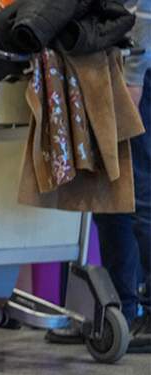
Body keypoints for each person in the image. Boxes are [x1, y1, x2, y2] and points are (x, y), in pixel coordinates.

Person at [94, 0, 151, 351]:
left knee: (140, 196)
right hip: (117, 67)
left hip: (138, 75)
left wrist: (132, 78)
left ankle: (139, 310)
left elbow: (143, 9)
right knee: (109, 193)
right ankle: (117, 312)